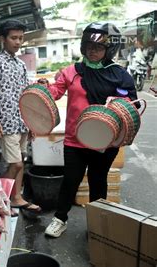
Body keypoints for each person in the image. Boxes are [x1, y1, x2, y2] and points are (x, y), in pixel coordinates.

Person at [44, 22, 138, 238]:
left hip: (104, 140)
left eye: (97, 48)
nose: (91, 51)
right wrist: (44, 88)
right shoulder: (72, 72)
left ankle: (96, 225)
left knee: (98, 181)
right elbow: (55, 92)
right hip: (74, 140)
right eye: (88, 46)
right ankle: (60, 219)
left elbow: (129, 104)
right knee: (70, 180)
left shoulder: (120, 75)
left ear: (109, 50)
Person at [0, 20, 42, 216]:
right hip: (5, 122)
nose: (18, 42)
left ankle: (16, 198)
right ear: (2, 39)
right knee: (15, 163)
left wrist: (31, 123)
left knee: (21, 162)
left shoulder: (20, 64)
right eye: (13, 38)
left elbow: (26, 96)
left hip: (22, 121)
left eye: (20, 38)